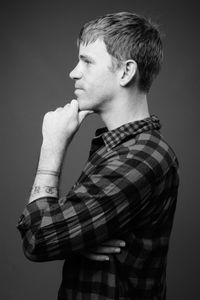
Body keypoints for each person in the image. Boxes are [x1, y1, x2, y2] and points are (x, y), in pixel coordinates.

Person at [17, 12, 179, 299]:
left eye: (88, 62)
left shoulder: (140, 157)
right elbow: (57, 227)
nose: (74, 72)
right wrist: (77, 238)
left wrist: (51, 148)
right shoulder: (118, 147)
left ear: (126, 72)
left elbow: (38, 238)